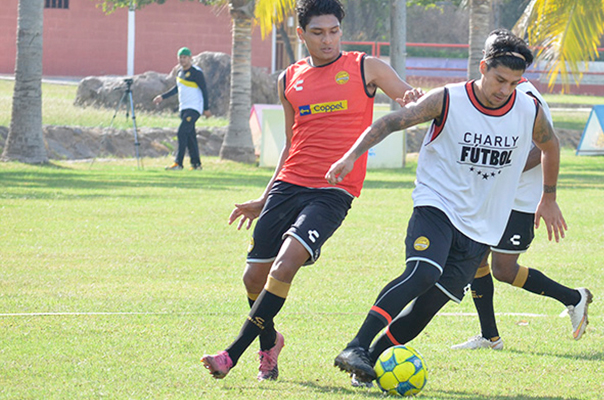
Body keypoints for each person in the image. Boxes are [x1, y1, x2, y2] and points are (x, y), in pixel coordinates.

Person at [326, 29, 566, 385]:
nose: (504, 90)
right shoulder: (448, 99)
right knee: (423, 272)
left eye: (514, 83)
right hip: (436, 205)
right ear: (483, 67)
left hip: (483, 225)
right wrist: (351, 156)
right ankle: (356, 345)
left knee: (428, 307)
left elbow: (551, 146)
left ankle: (367, 364)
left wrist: (548, 196)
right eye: (499, 79)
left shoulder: (527, 110)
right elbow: (391, 122)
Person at [199, 0, 422, 381]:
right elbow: (289, 144)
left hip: (333, 191)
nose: (328, 40)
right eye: (318, 33)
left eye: (334, 31)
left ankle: (232, 353)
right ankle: (270, 342)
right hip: (288, 185)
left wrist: (415, 99)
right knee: (253, 278)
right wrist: (265, 196)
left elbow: (407, 98)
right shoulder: (289, 78)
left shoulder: (365, 67)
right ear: (301, 34)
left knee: (286, 265)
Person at [451, 78, 591, 352]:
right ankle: (490, 337)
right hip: (496, 196)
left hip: (519, 200)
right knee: (476, 259)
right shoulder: (497, 96)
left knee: (504, 269)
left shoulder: (528, 98)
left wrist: (542, 194)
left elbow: (543, 147)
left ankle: (574, 298)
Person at [153, 47, 212, 171]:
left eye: (185, 57)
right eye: (180, 57)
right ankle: (196, 165)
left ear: (190, 58)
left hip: (194, 108)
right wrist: (162, 97)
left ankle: (178, 163)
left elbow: (204, 90)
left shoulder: (196, 72)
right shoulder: (180, 72)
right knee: (190, 136)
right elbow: (177, 88)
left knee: (181, 132)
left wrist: (206, 108)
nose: (182, 60)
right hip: (184, 107)